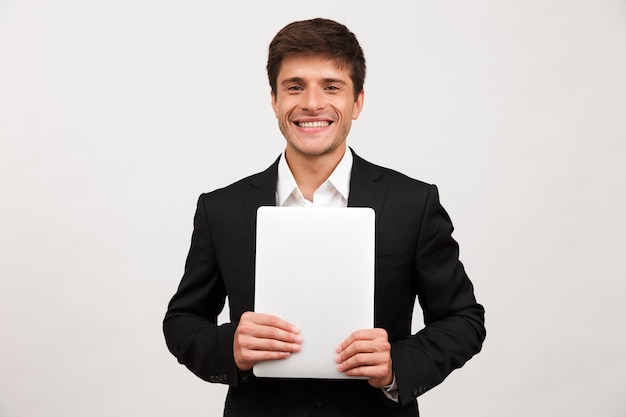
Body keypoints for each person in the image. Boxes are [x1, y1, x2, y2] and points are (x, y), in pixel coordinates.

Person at [163, 18, 485, 417]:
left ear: (358, 102)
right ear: (274, 100)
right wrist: (229, 348)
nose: (312, 103)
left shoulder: (412, 203)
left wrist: (396, 366)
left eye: (331, 87)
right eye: (294, 87)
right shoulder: (222, 209)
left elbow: (463, 320)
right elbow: (182, 321)